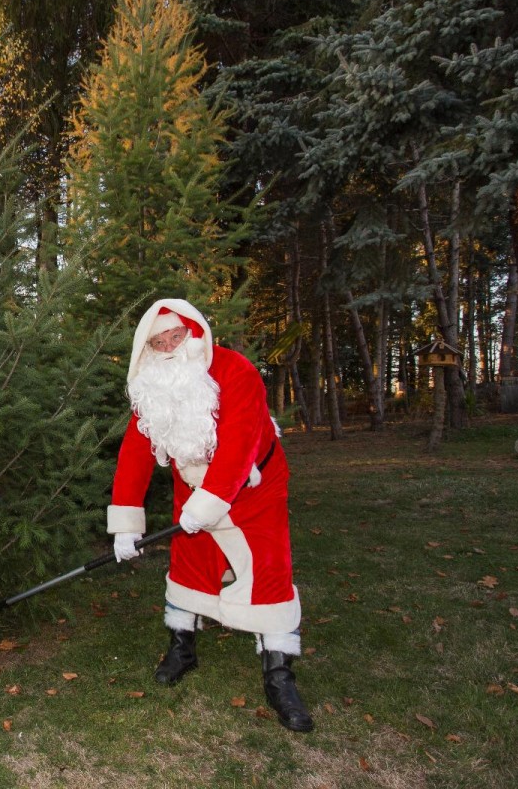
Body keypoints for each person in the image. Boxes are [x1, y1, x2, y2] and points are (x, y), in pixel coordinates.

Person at [107, 299, 314, 733]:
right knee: (189, 565)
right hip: (193, 483)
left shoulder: (235, 370)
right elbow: (134, 454)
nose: (169, 348)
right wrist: (126, 525)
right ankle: (182, 648)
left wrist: (207, 505)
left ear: (194, 332)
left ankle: (279, 676)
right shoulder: (154, 383)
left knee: (268, 571)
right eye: (159, 342)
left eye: (175, 337)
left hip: (255, 486)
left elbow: (239, 444)